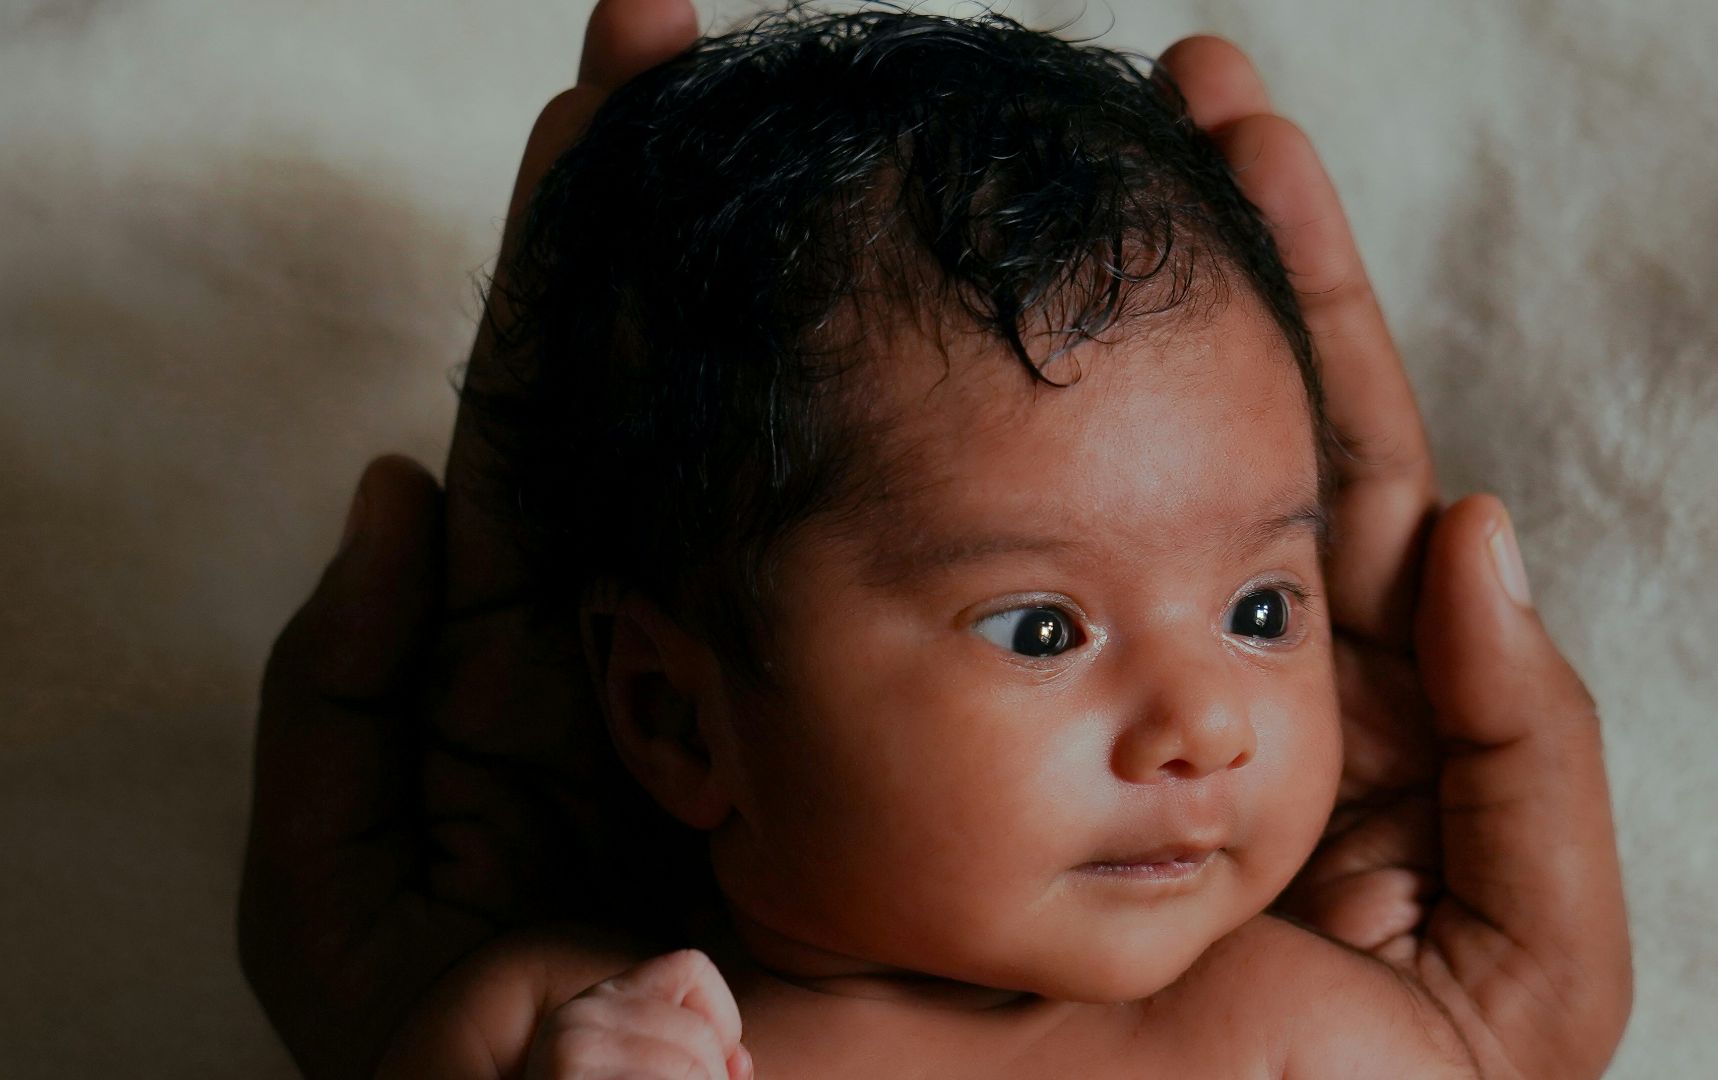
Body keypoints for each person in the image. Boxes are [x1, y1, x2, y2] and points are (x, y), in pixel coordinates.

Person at [238, 2, 1630, 1078]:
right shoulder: (548, 1027)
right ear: (676, 714)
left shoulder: (1313, 1038)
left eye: (1260, 610)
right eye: (1042, 628)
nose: (1208, 725)